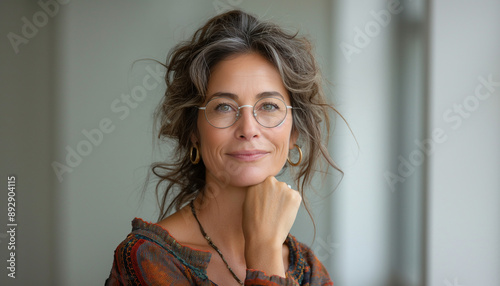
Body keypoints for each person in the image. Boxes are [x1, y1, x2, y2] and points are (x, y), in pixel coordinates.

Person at [105, 9, 342, 285]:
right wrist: (264, 249)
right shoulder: (146, 259)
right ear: (194, 132)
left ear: (294, 133)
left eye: (268, 106)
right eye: (224, 107)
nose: (248, 129)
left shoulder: (309, 270)